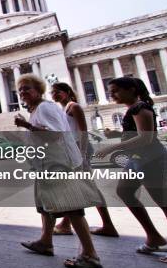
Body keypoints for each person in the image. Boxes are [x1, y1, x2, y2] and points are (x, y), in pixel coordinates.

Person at [14, 74, 104, 268]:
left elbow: (55, 136)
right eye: (20, 90)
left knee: (71, 207)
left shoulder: (46, 107)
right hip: (47, 165)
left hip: (59, 165)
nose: (23, 92)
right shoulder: (37, 109)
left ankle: (90, 254)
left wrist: (26, 126)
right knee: (45, 205)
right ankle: (45, 242)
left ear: (38, 90)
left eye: (27, 88)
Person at [94, 77, 167, 255]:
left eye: (115, 91)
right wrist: (115, 134)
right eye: (110, 92)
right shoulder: (133, 108)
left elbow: (146, 137)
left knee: (165, 202)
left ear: (131, 89)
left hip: (151, 160)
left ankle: (153, 236)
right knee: (125, 191)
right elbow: (136, 134)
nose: (111, 95)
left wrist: (112, 147)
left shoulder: (140, 107)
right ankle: (153, 236)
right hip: (138, 160)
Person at [50, 82, 119, 237]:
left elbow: (83, 132)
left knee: (89, 188)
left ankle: (107, 225)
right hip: (70, 152)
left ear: (67, 92)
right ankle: (66, 224)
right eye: (52, 92)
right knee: (75, 188)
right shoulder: (64, 109)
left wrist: (81, 155)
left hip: (78, 152)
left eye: (57, 92)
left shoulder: (74, 107)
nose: (54, 95)